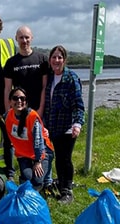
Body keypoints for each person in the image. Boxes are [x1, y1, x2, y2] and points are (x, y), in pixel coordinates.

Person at [43, 45, 85, 204]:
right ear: (50, 60)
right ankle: (60, 182)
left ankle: (67, 191)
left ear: (65, 60)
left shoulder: (71, 78)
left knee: (64, 158)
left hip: (67, 127)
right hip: (52, 126)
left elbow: (78, 104)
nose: (56, 60)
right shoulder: (49, 78)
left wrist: (77, 124)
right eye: (54, 57)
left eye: (60, 57)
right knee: (55, 157)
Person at [5, 87, 54, 191]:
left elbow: (38, 142)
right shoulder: (8, 115)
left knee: (37, 179)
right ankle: (24, 187)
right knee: (28, 177)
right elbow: (0, 119)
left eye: (22, 99)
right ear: (10, 101)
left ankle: (45, 184)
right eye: (15, 98)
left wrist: (38, 161)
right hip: (24, 155)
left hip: (42, 152)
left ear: (26, 102)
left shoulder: (32, 117)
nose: (19, 101)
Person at [3, 25, 49, 117]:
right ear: (16, 39)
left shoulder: (42, 59)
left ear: (32, 38)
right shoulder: (11, 62)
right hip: (18, 110)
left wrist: (41, 109)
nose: (24, 41)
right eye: (21, 37)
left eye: (27, 37)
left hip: (38, 110)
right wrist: (9, 112)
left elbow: (45, 87)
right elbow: (8, 89)